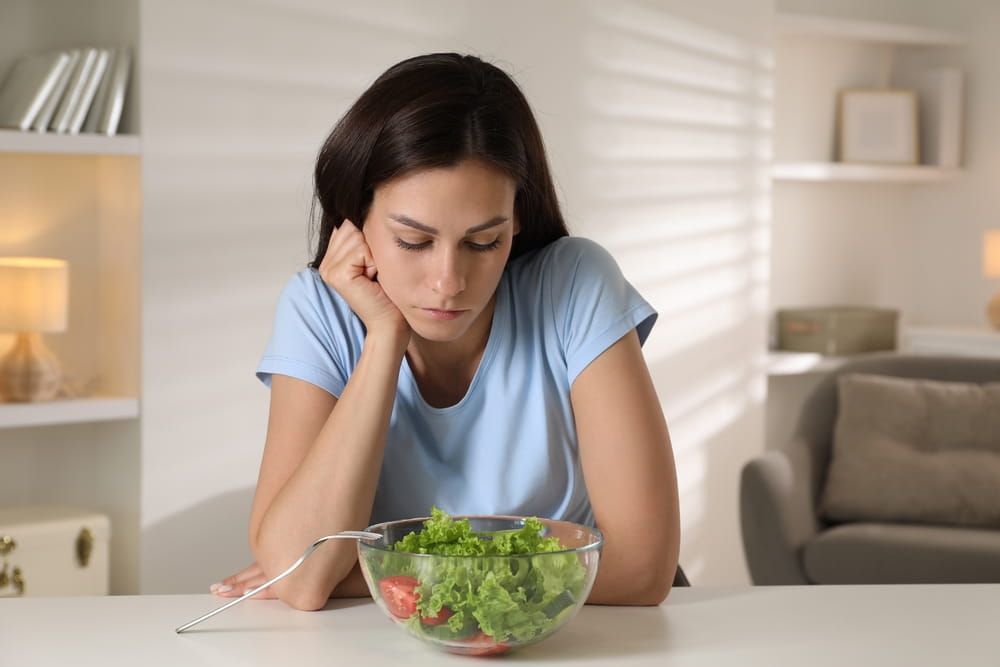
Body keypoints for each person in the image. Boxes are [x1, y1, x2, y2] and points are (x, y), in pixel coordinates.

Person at [210, 52, 680, 610]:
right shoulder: (319, 308)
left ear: (518, 219)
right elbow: (302, 579)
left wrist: (374, 574)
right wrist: (384, 337)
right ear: (355, 219)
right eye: (414, 241)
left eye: (484, 242)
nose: (448, 282)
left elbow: (642, 569)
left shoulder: (575, 284)